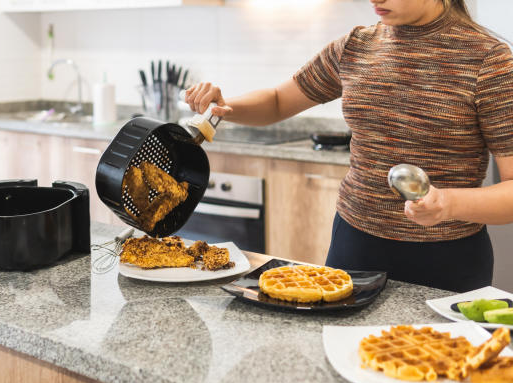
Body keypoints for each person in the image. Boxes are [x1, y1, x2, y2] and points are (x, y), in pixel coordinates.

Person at [184, 0, 513, 292]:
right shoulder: (355, 46)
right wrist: (225, 105)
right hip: (355, 245)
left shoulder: (489, 60)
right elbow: (278, 101)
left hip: (447, 259)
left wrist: (447, 203)